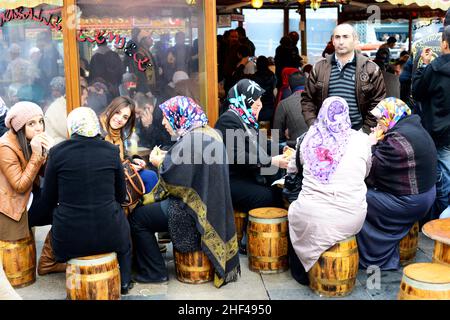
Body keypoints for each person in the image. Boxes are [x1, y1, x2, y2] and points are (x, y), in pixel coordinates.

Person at [129, 96, 240, 288]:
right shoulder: (207, 133)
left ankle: (154, 272)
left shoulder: (192, 140)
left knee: (138, 218)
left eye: (166, 118)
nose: (164, 122)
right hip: (214, 208)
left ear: (179, 117)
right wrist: (169, 156)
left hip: (189, 211)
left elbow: (173, 179)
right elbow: (190, 166)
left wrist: (159, 163)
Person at [41, 107, 133, 294]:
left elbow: (48, 198)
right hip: (110, 235)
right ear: (95, 125)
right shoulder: (111, 150)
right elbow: (121, 195)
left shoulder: (57, 152)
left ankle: (76, 286)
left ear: (72, 126)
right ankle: (124, 282)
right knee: (121, 225)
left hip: (68, 238)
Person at [288, 96, 372, 285]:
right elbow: (366, 171)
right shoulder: (361, 140)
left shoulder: (308, 138)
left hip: (312, 217)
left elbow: (293, 167)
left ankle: (300, 273)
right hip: (352, 216)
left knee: (294, 212)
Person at [357, 98, 437, 270]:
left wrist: (371, 144)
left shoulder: (396, 142)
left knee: (358, 197)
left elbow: (371, 172)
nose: (377, 126)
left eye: (380, 121)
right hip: (426, 194)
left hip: (412, 202)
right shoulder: (412, 127)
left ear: (389, 118)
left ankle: (375, 257)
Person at [214, 79, 289, 253]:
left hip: (243, 175)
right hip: (229, 180)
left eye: (260, 102)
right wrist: (272, 161)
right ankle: (250, 243)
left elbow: (260, 144)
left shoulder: (243, 118)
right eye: (256, 103)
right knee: (268, 196)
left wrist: (282, 148)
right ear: (244, 101)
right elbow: (237, 157)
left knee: (277, 186)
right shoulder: (229, 120)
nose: (260, 106)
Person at [302, 23, 386, 133]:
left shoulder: (371, 68)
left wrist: (364, 132)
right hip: (326, 134)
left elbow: (379, 103)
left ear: (355, 40)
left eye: (346, 37)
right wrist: (314, 127)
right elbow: (307, 100)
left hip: (358, 133)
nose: (341, 42)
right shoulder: (319, 68)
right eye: (337, 37)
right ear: (333, 40)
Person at [0, 101, 54, 249]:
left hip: (29, 196)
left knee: (68, 201)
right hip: (16, 209)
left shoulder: (30, 141)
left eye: (41, 121)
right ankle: (49, 260)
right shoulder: (5, 146)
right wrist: (37, 155)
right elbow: (19, 186)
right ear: (19, 127)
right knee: (65, 213)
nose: (39, 128)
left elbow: (47, 175)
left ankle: (50, 259)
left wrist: (50, 153)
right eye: (31, 124)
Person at [412, 25, 450, 221]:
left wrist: (423, 65)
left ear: (444, 44)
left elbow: (417, 92)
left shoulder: (434, 69)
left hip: (439, 133)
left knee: (442, 178)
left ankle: (442, 223)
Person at [100, 96, 158, 194]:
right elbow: (102, 165)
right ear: (110, 110)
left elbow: (122, 157)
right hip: (106, 179)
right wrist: (127, 168)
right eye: (117, 112)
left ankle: (147, 207)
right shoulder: (98, 133)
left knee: (151, 175)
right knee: (149, 177)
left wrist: (134, 161)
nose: (119, 119)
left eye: (125, 117)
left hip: (120, 173)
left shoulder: (118, 132)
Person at [273, 72, 308, 148]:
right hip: (318, 148)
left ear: (289, 87)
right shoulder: (320, 101)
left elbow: (276, 135)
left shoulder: (283, 104)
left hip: (294, 148)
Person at [251, 56, 277, 124]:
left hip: (258, 109)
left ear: (257, 65)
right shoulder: (272, 75)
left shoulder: (254, 77)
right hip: (270, 107)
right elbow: (274, 87)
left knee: (260, 131)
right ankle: (273, 134)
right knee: (273, 131)